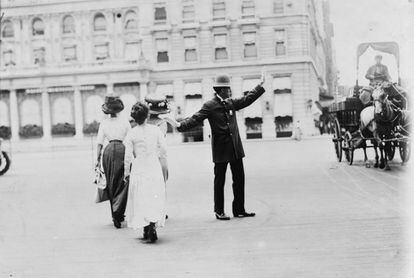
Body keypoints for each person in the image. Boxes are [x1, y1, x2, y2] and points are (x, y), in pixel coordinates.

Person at [162, 73, 265, 220]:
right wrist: (179, 125)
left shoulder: (230, 102)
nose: (230, 91)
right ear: (221, 90)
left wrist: (260, 86)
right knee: (220, 181)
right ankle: (219, 211)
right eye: (228, 88)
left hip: (235, 148)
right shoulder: (210, 106)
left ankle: (239, 209)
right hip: (221, 149)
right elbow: (195, 118)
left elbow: (247, 99)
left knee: (239, 179)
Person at [124, 102, 168, 243]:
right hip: (153, 165)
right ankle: (152, 224)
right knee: (153, 194)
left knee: (141, 196)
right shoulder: (155, 130)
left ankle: (145, 225)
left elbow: (128, 156)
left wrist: (126, 172)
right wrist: (160, 161)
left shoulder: (131, 133)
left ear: (134, 118)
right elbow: (164, 150)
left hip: (139, 167)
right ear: (147, 115)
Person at [96, 95, 131, 228]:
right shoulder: (125, 122)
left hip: (109, 151)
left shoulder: (104, 123)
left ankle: (114, 214)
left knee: (111, 182)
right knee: (123, 181)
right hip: (122, 149)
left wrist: (97, 160)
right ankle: (119, 212)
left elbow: (99, 143)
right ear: (119, 109)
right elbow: (130, 139)